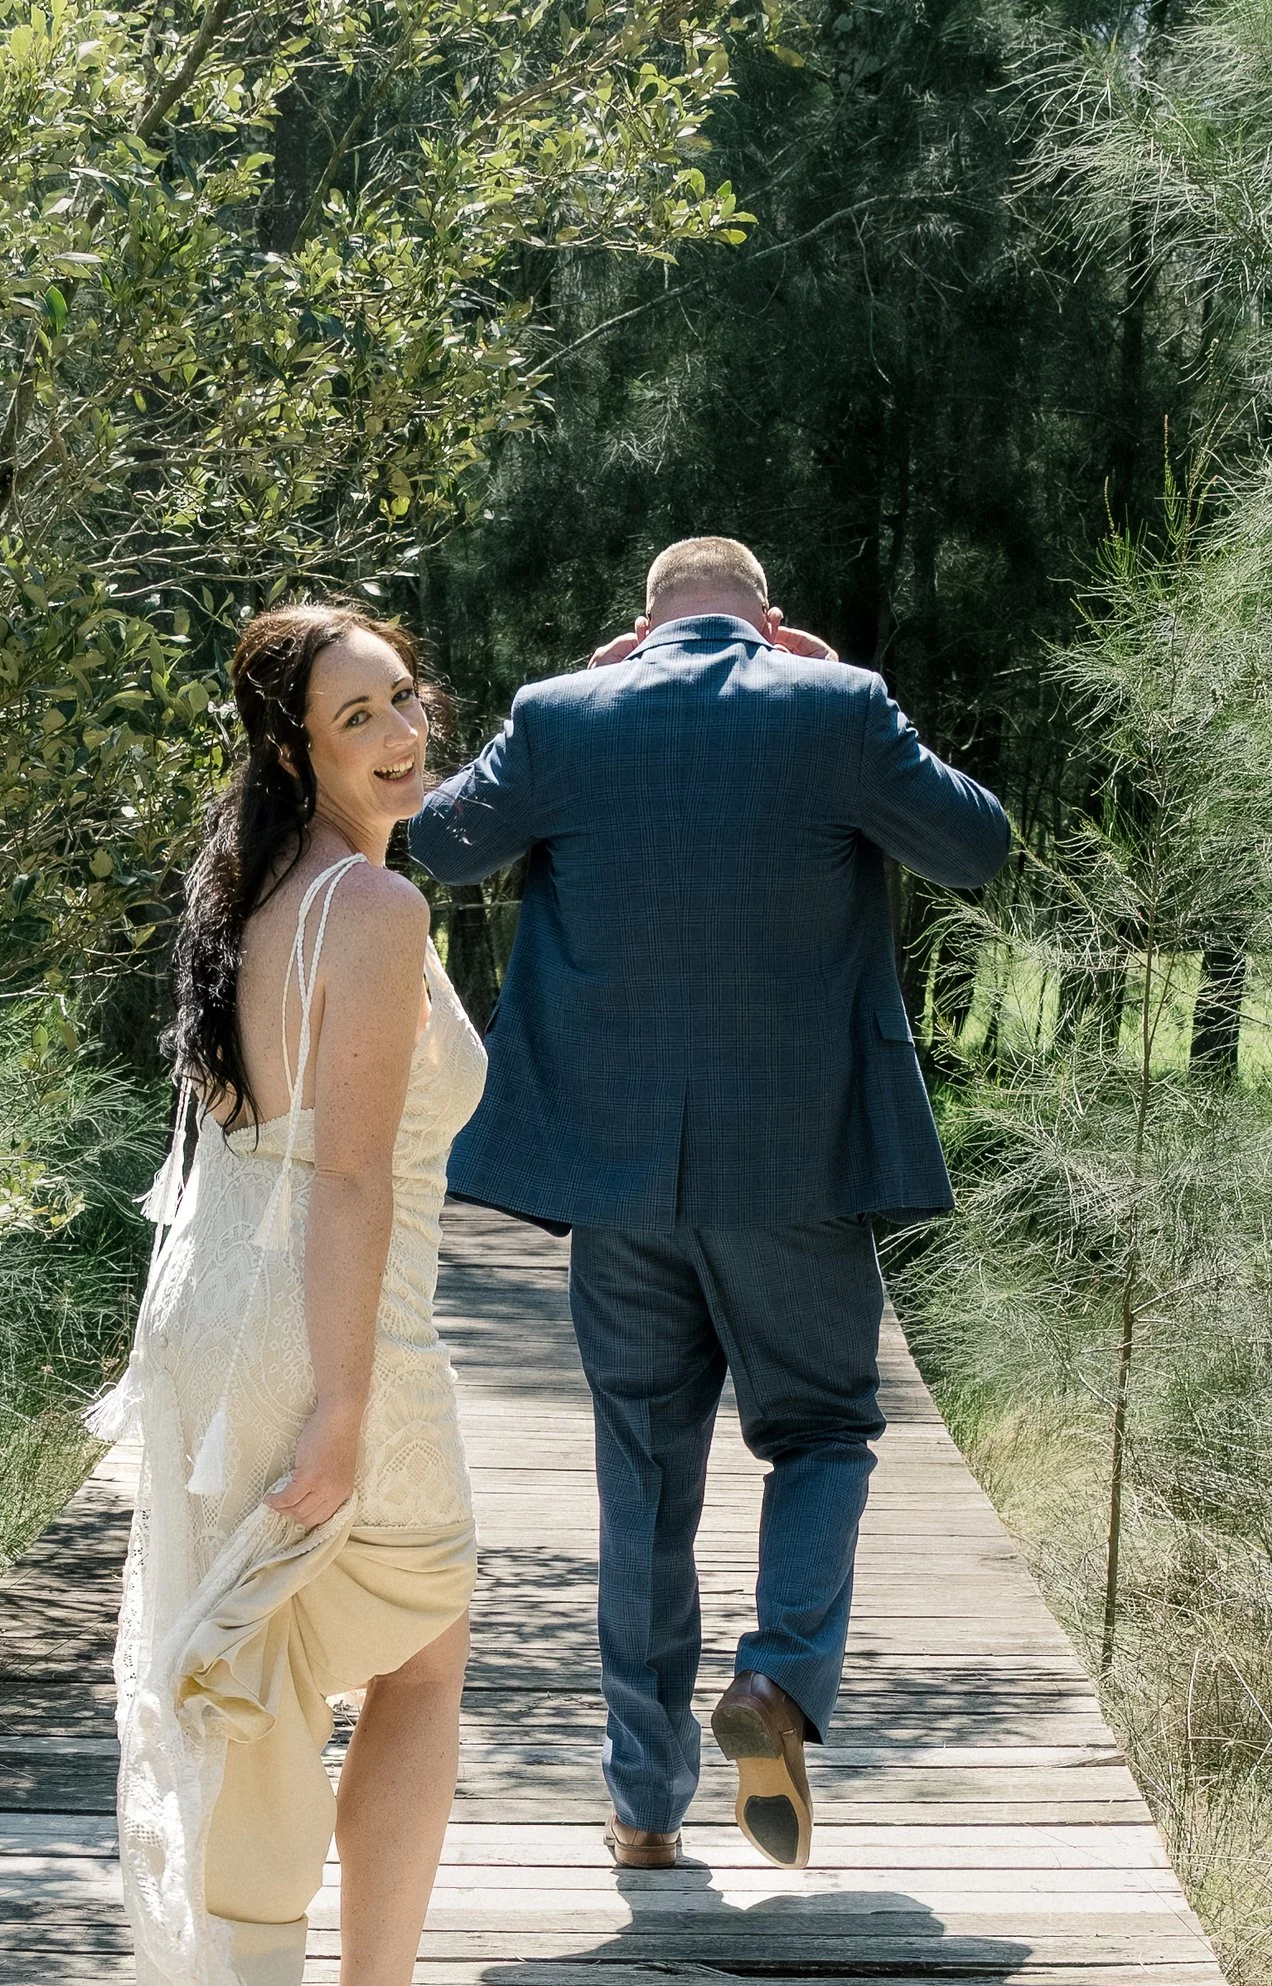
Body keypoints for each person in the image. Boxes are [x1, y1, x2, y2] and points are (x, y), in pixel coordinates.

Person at [407, 536, 1009, 1872]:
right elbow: (980, 846)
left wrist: (573, 698)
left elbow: (435, 840)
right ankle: (778, 1683)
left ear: (641, 625)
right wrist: (847, 681)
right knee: (826, 1431)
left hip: (615, 1185)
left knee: (643, 1476)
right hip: (796, 1173)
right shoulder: (835, 706)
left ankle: (641, 1805)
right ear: (770, 621)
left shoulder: (562, 715)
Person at [91, 605, 483, 1986]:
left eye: (406, 697)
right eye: (358, 716)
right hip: (328, 1324)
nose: (402, 732)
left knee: (256, 1680)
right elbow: (343, 1180)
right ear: (291, 746)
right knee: (426, 1645)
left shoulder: (246, 892)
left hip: (215, 1312)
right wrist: (338, 1403)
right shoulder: (371, 907)